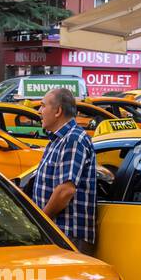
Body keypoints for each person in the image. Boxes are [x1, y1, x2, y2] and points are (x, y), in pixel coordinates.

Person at [31, 87, 97, 256]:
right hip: (59, 232)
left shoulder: (73, 140)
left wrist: (40, 221)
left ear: (58, 111)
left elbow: (65, 191)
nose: (39, 111)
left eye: (43, 106)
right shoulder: (58, 139)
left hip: (67, 234)